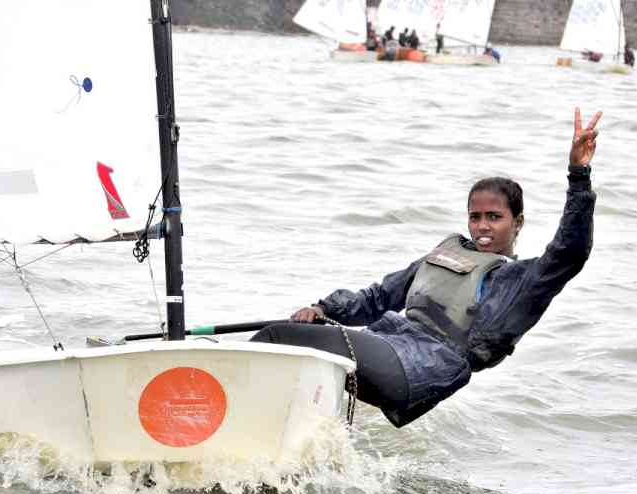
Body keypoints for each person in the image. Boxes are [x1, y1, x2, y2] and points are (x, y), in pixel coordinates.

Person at [252, 108, 602, 427]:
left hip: (423, 368)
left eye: (494, 218)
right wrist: (323, 309)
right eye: (475, 217)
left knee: (279, 339)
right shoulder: (446, 253)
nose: (482, 226)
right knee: (289, 341)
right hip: (389, 342)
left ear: (518, 222)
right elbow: (378, 298)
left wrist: (579, 175)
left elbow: (570, 251)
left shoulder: (522, 281)